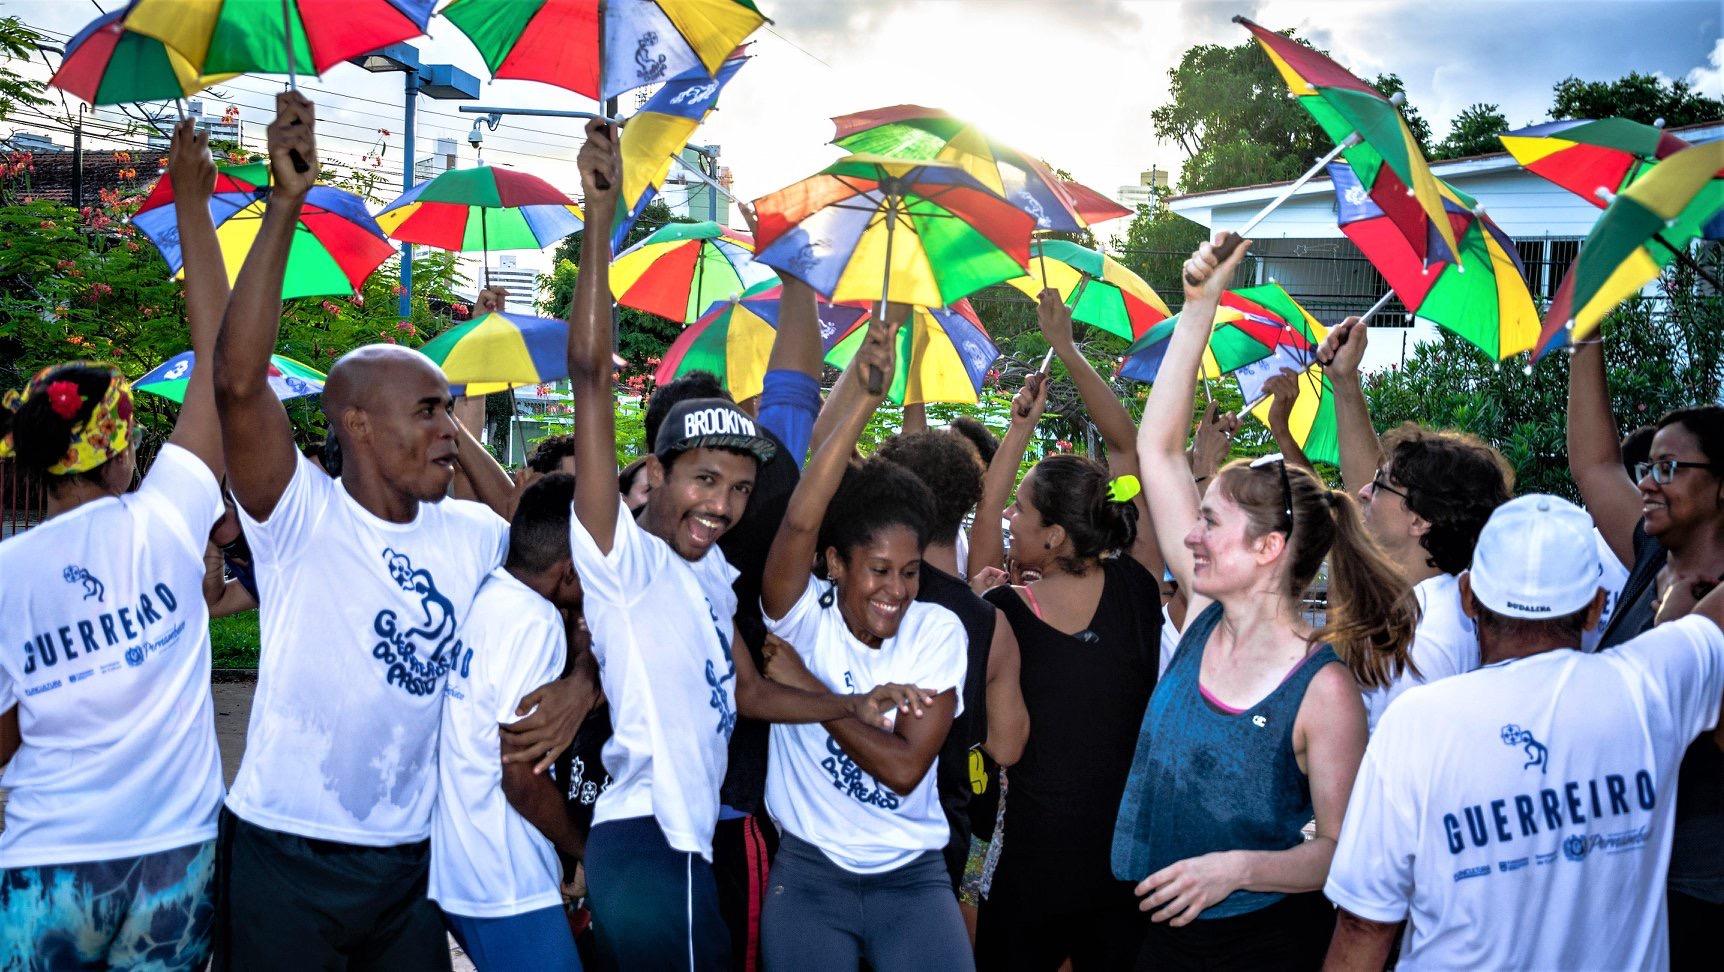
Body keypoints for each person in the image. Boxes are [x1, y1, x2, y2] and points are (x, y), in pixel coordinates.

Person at [209, 94, 593, 971]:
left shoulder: (465, 536)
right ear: (357, 426)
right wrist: (283, 206)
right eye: (427, 412)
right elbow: (237, 385)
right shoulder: (299, 516)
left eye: (451, 412)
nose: (446, 431)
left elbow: (574, 568)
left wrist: (582, 679)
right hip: (285, 852)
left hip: (414, 867)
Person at [563, 120, 907, 970]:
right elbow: (591, 379)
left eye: (739, 487)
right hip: (649, 843)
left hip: (690, 846)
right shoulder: (622, 560)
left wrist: (845, 706)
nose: (722, 504)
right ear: (657, 473)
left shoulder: (713, 577)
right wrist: (600, 220)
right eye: (703, 481)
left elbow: (750, 694)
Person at [1117, 235, 1414, 970]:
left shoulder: (1324, 691)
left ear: (1268, 550)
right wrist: (1198, 307)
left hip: (1256, 947)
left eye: (1210, 522)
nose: (1189, 537)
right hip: (1154, 934)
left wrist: (1240, 868)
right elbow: (1157, 448)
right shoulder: (1202, 616)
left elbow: (1341, 853)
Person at [0, 120, 228, 970]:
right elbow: (219, 360)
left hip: (43, 865)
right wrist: (192, 204)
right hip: (173, 857)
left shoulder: (6, 575)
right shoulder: (168, 516)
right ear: (125, 447)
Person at [1322, 494, 1724, 970]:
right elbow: (1705, 631)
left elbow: (1364, 925)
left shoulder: (1416, 721)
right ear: (1596, 608)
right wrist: (1675, 605)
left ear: (1469, 597)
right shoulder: (1653, 685)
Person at [755, 305, 974, 971]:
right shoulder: (801, 615)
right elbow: (797, 522)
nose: (898, 591)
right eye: (879, 571)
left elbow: (906, 770)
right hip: (809, 880)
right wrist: (862, 401)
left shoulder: (937, 632)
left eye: (910, 573)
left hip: (913, 880)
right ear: (836, 564)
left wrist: (810, 691)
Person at [962, 292, 1165, 970]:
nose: (1011, 518)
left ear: (1051, 536)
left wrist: (1018, 429)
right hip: (1123, 866)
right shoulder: (1139, 584)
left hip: (1033, 868)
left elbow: (985, 510)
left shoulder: (1008, 614)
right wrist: (1070, 351)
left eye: (1025, 510)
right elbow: (1128, 446)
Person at [1566, 332, 1724, 967]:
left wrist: (1674, 621)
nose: (1649, 483)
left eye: (1670, 468)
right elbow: (1594, 465)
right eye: (1648, 468)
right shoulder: (1654, 558)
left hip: (1699, 891)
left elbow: (1658, 723)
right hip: (1630, 875)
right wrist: (1587, 332)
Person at [1315, 318, 1514, 730]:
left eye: (1381, 485)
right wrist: (1344, 380)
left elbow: (1403, 780)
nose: (1363, 493)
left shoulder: (1429, 643)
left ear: (1421, 520)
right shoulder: (1427, 603)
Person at [431, 474, 589, 972]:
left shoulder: (483, 593)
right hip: (506, 877)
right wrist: (586, 853)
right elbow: (519, 774)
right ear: (568, 572)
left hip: (456, 867)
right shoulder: (536, 622)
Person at [874, 428, 1029, 915]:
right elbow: (1007, 744)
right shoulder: (987, 621)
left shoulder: (859, 593)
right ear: (964, 506)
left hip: (839, 831)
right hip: (936, 839)